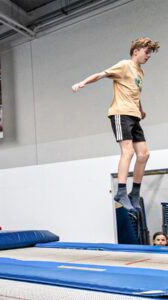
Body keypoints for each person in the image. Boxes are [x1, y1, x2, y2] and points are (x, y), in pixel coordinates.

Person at [72, 37, 160, 214]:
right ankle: (121, 191)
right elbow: (101, 74)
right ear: (136, 51)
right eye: (147, 52)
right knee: (127, 151)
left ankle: (134, 192)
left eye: (151, 53)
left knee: (144, 154)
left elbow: (135, 94)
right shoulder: (124, 65)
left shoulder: (140, 72)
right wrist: (82, 83)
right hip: (120, 113)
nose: (149, 56)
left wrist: (141, 110)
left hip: (134, 115)